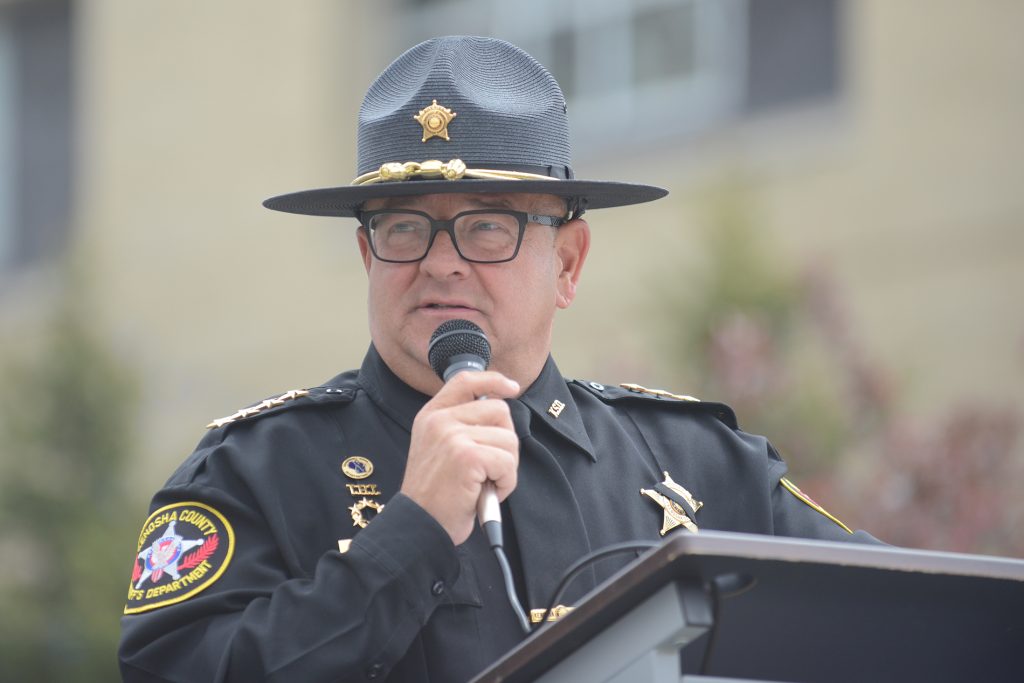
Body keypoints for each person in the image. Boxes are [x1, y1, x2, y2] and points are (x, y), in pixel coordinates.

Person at [119, 35, 879, 682]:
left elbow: (902, 622)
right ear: (367, 256)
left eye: (487, 226)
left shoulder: (700, 464)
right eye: (404, 228)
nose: (440, 262)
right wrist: (410, 534)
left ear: (568, 264)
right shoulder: (254, 472)